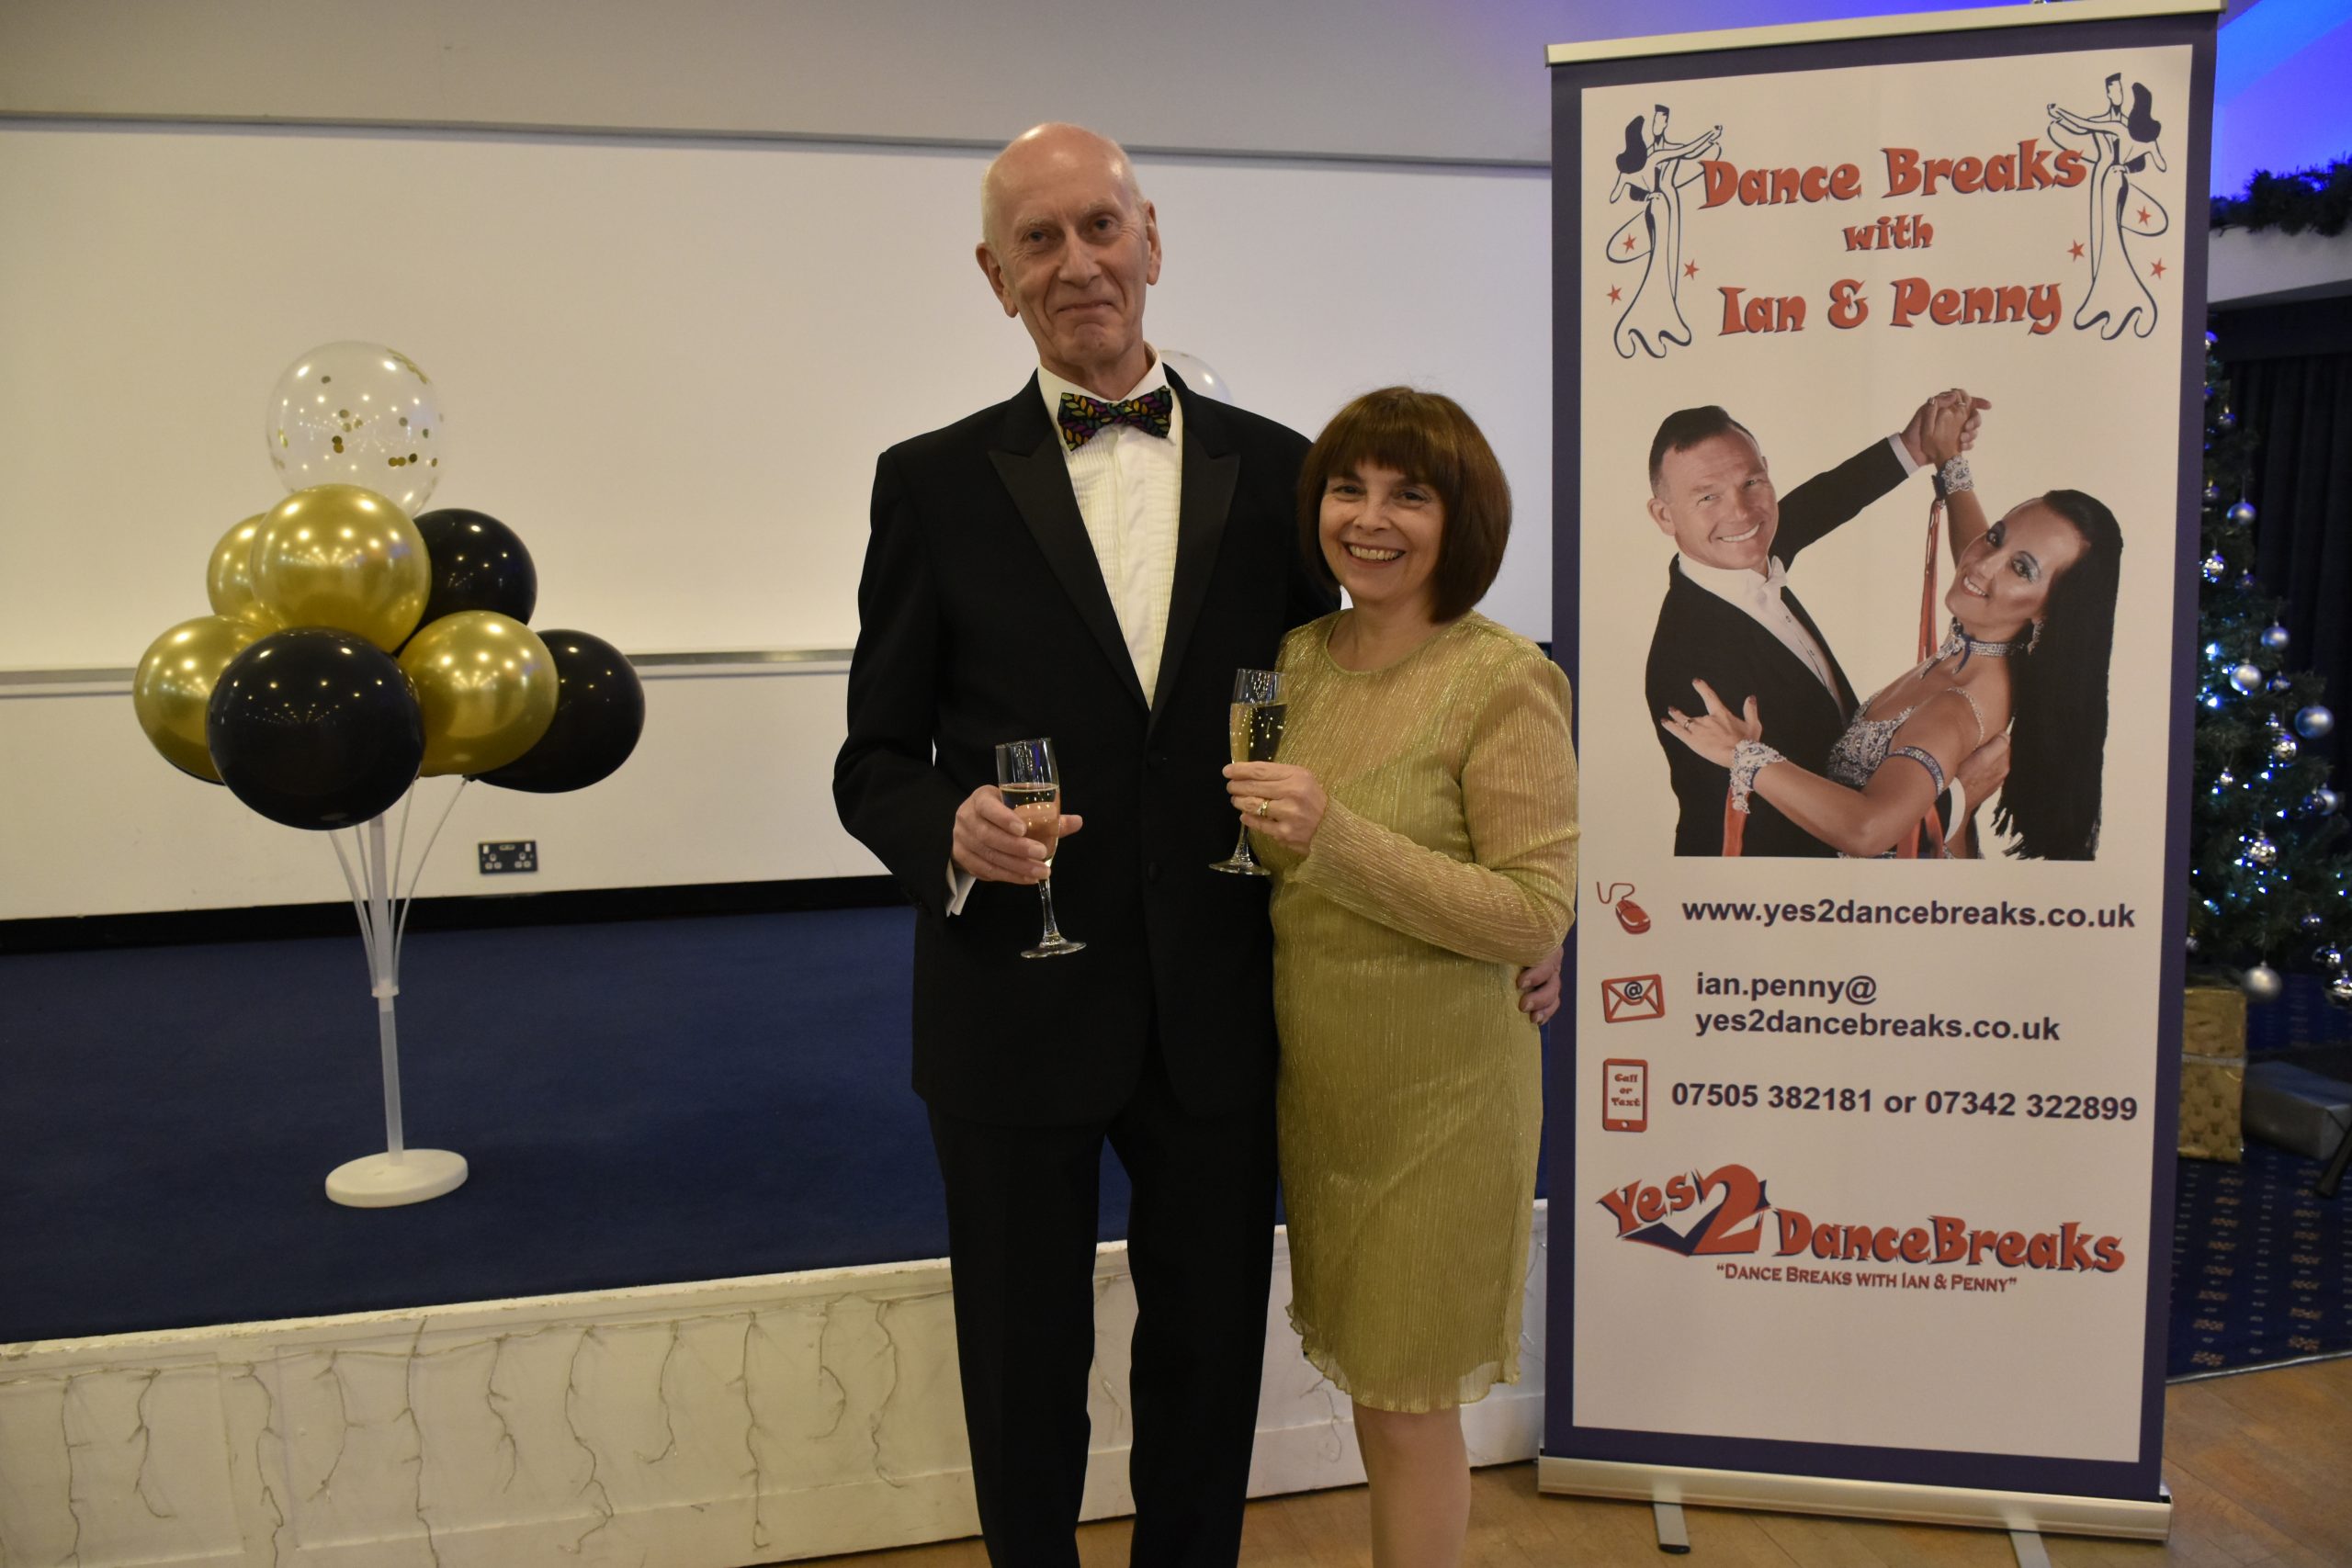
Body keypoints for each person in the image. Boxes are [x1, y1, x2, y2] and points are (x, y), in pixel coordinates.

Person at [1225, 388, 1577, 1567]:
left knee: (1407, 1405)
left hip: (1444, 1101)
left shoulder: (1501, 677)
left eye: (1407, 497)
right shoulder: (1292, 661)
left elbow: (1532, 908)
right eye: (1348, 489)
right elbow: (1259, 860)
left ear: (1459, 520)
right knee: (1377, 1395)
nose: (1368, 520)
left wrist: (1336, 836)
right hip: (1327, 1091)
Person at [1661, 400, 2122, 860]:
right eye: (1995, 537)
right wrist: (1937, 455)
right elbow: (1975, 557)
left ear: (2050, 609)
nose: (1981, 565)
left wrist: (1745, 754)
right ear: (1664, 515)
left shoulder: (1954, 708)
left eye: (2021, 569)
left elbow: (1866, 832)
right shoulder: (1993, 633)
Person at [1642, 392, 1996, 855]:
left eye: (1752, 482)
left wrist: (1915, 446)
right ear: (1664, 515)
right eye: (1708, 496)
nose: (1741, 512)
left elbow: (1823, 500)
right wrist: (1956, 801)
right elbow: (1791, 832)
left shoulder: (1740, 550)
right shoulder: (1690, 664)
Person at [2050, 74, 2169, 342]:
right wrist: (2061, 116)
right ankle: (2102, 295)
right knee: (2101, 232)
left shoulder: (2123, 127)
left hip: (2114, 181)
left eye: (2120, 91)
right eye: (2113, 90)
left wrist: (2134, 162)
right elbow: (2083, 126)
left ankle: (2111, 295)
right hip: (2104, 179)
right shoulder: (2117, 125)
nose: (2117, 95)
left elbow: (2157, 164)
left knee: (2110, 234)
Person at [1603, 104, 1724, 360]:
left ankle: (1666, 316)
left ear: (1666, 122)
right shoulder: (1650, 156)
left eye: (1660, 120)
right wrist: (1639, 191)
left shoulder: (1660, 152)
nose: (1656, 125)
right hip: (1659, 207)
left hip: (1669, 205)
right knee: (1660, 258)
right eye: (1654, 121)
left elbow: (1689, 151)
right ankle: (1657, 315)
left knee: (1670, 256)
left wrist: (1709, 138)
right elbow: (1623, 194)